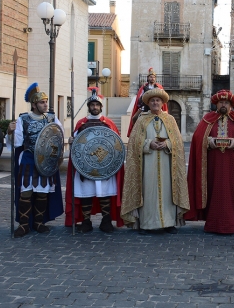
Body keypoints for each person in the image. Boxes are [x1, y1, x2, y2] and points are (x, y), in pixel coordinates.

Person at [186, 90, 234, 234]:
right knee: (213, 191)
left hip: (233, 165)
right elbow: (198, 138)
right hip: (212, 165)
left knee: (232, 192)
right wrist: (208, 141)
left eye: (226, 103)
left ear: (231, 105)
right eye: (220, 103)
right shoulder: (208, 119)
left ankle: (233, 221)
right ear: (216, 104)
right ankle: (212, 222)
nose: (223, 105)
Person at [121, 88, 190, 233]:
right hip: (147, 164)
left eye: (158, 100)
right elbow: (134, 143)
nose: (155, 103)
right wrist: (148, 144)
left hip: (167, 163)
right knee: (148, 192)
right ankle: (147, 224)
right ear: (148, 103)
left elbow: (177, 142)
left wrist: (168, 144)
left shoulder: (170, 120)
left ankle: (168, 222)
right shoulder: (141, 120)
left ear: (162, 103)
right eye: (152, 101)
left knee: (168, 192)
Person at [64, 87, 125, 233]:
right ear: (89, 107)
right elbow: (77, 147)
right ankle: (86, 222)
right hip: (85, 167)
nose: (95, 107)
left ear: (101, 107)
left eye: (97, 105)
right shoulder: (81, 124)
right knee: (87, 194)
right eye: (92, 105)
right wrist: (72, 140)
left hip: (105, 166)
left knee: (105, 194)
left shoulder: (108, 124)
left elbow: (116, 145)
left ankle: (106, 221)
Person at [7, 83, 64, 238]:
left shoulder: (52, 118)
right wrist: (9, 132)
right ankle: (24, 225)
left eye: (46, 101)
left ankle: (39, 222)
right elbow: (16, 142)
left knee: (42, 193)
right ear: (33, 104)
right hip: (28, 159)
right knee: (26, 192)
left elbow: (59, 137)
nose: (45, 104)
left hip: (46, 160)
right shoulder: (23, 119)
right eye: (41, 102)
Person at [127, 67, 166, 137]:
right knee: (137, 118)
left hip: (157, 109)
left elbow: (162, 99)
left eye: (154, 77)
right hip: (145, 108)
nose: (152, 78)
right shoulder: (143, 87)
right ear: (148, 78)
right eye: (151, 77)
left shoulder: (159, 87)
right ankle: (138, 135)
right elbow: (139, 99)